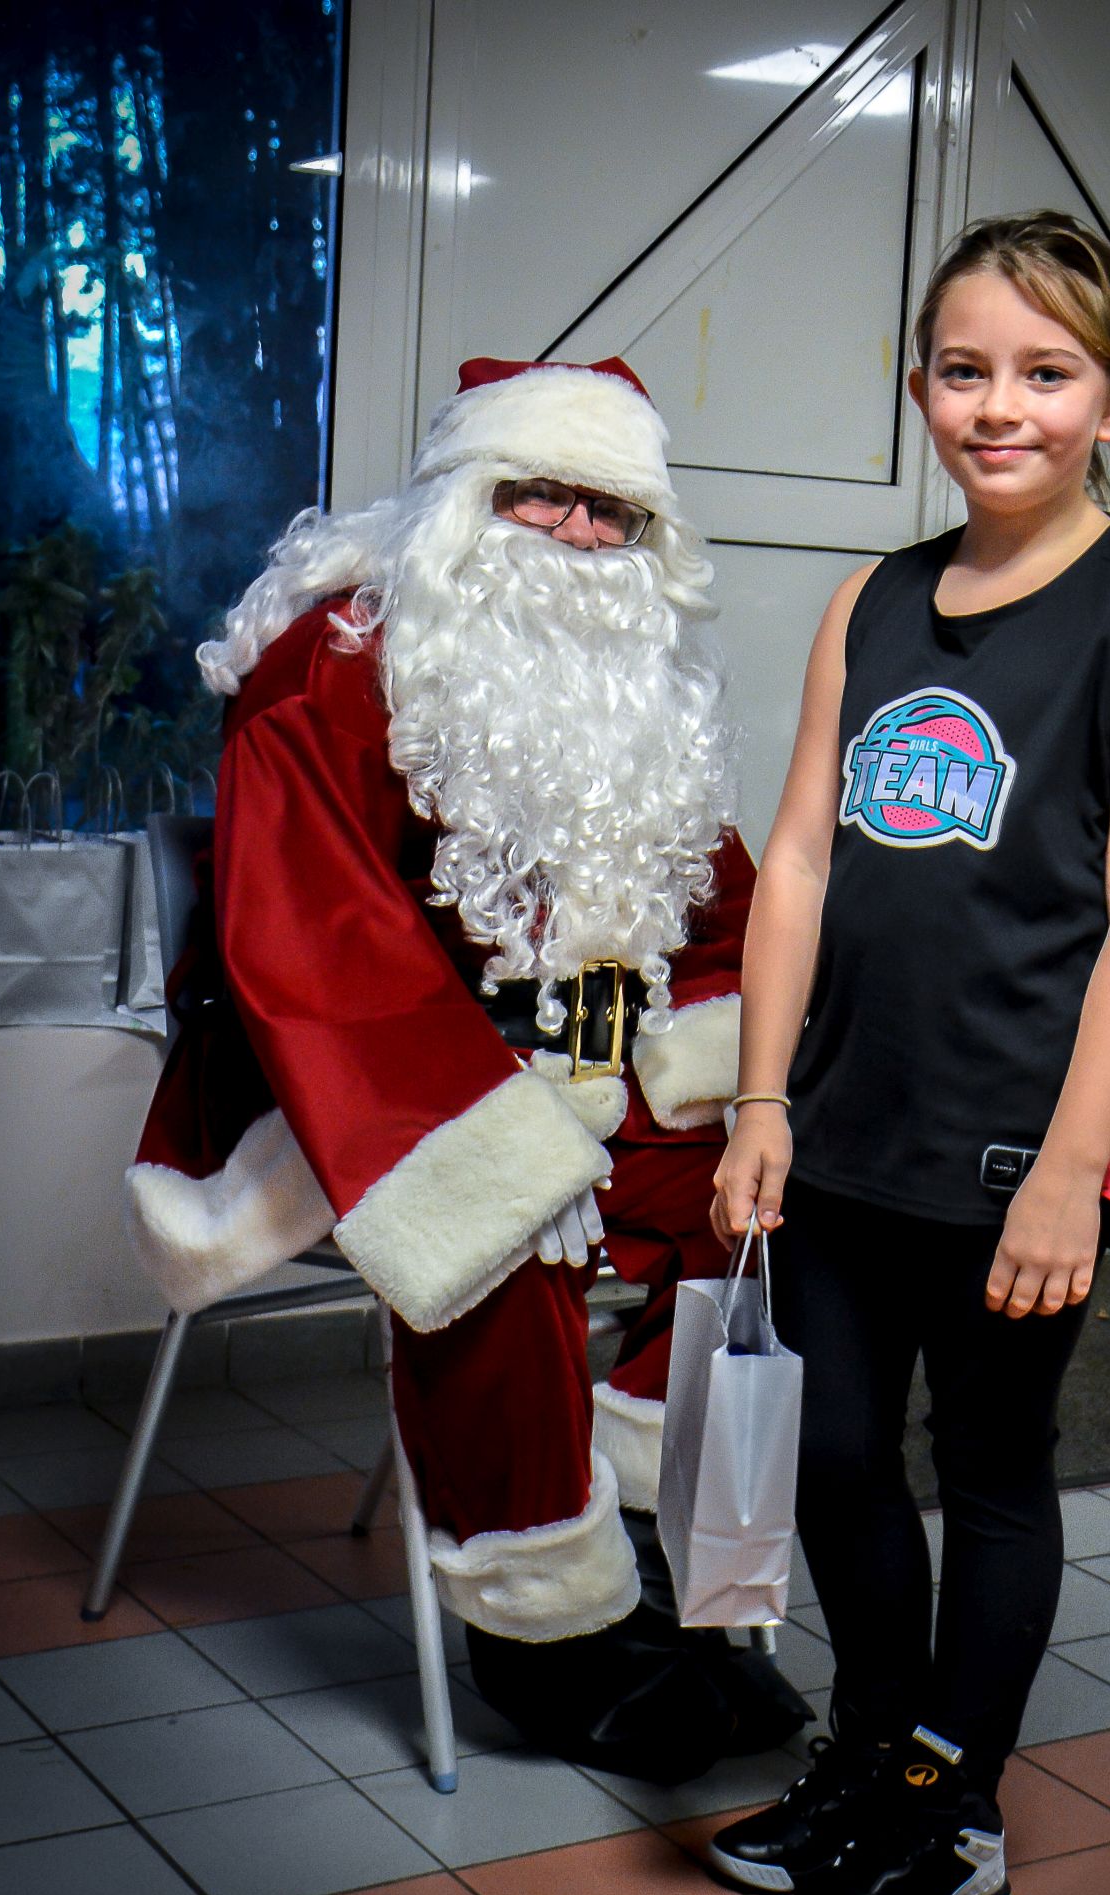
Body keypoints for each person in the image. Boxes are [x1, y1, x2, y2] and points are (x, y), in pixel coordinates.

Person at [125, 355, 805, 1772]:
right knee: (503, 1223)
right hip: (347, 1078)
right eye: (539, 494)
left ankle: (656, 1551)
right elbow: (309, 950)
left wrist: (736, 1098)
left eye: (610, 511)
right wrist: (497, 1129)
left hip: (573, 1065)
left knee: (748, 1208)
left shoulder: (637, 688)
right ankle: (547, 1633)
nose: (575, 533)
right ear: (458, 498)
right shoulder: (326, 671)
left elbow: (713, 911)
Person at [707, 212, 1110, 1895]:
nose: (997, 406)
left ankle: (951, 1818)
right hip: (842, 1119)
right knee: (834, 1457)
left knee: (991, 1468)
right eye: (962, 370)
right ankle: (866, 1758)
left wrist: (1070, 1169)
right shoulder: (870, 600)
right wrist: (761, 1101)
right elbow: (797, 856)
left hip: (1020, 1141)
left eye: (1043, 373)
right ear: (919, 386)